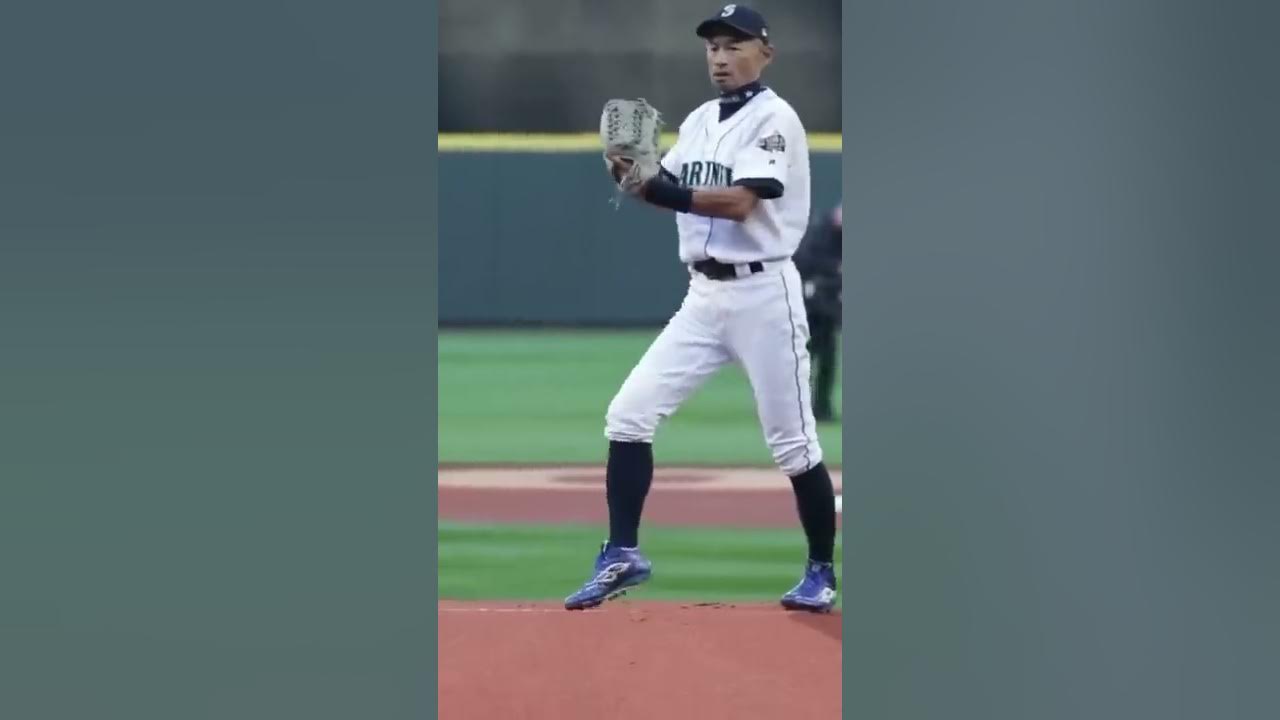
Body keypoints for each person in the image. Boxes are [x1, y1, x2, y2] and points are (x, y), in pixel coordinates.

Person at [564, 4, 838, 613]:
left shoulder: (776, 120)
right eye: (712, 45)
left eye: (733, 43)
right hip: (704, 297)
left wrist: (654, 186)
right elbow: (668, 191)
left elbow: (740, 203)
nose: (719, 55)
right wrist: (630, 175)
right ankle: (622, 553)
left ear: (764, 51)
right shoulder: (698, 121)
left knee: (793, 444)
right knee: (628, 415)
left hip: (765, 294)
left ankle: (821, 570)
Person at [794, 202, 843, 422]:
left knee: (827, 359)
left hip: (829, 307)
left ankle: (822, 408)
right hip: (809, 304)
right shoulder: (819, 232)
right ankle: (794, 408)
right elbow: (803, 262)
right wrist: (835, 268)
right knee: (803, 359)